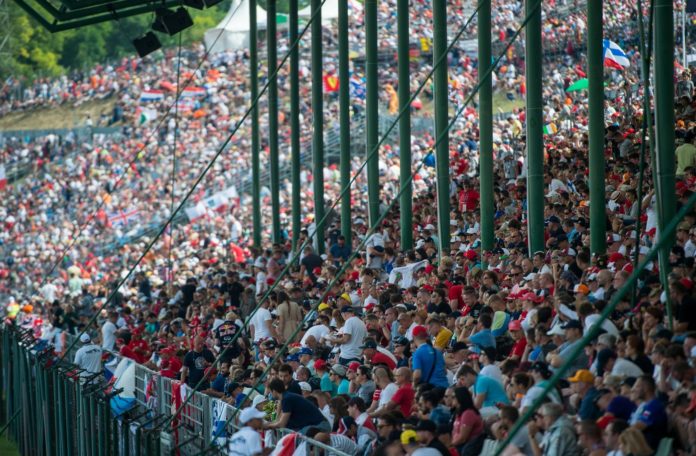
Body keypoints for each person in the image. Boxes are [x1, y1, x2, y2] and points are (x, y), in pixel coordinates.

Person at [265, 378, 331, 434]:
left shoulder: (287, 399)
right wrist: (270, 424)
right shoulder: (286, 397)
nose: (271, 394)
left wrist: (267, 426)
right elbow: (278, 420)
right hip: (315, 426)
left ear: (274, 391)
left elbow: (282, 424)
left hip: (320, 426)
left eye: (270, 392)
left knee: (295, 438)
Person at [629, 375, 667, 450]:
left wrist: (622, 434)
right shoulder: (644, 406)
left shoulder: (654, 405)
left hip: (649, 449)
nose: (633, 389)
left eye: (637, 386)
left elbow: (639, 426)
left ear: (646, 388)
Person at [450, 386, 484, 455]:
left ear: (460, 397)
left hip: (468, 448)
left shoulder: (468, 413)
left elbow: (463, 438)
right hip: (459, 446)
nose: (451, 399)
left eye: (453, 397)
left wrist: (450, 445)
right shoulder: (459, 413)